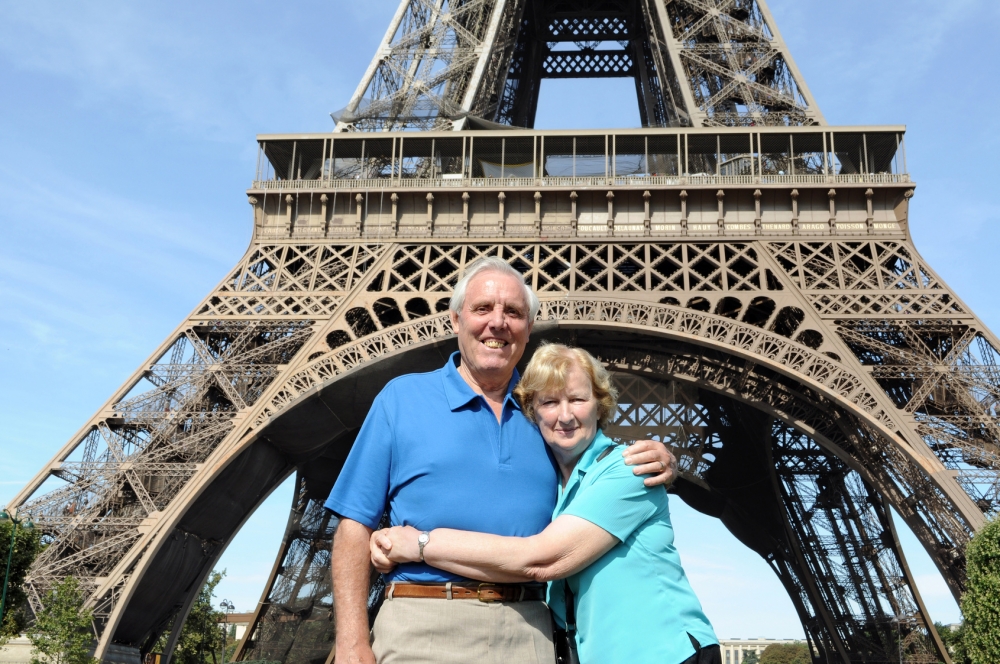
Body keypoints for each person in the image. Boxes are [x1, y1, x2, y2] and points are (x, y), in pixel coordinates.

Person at [325, 257, 677, 664]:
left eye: (513, 312)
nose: (497, 322)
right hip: (422, 624)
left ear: (528, 330)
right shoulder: (400, 400)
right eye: (482, 309)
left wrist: (662, 457)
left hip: (528, 630)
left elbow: (599, 468)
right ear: (455, 320)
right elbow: (354, 523)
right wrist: (352, 642)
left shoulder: (543, 416)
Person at [371, 343, 720, 664]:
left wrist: (418, 544)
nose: (564, 416)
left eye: (577, 400)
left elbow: (542, 560)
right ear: (531, 411)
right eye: (549, 402)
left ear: (600, 404)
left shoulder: (629, 469)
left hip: (665, 654)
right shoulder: (553, 491)